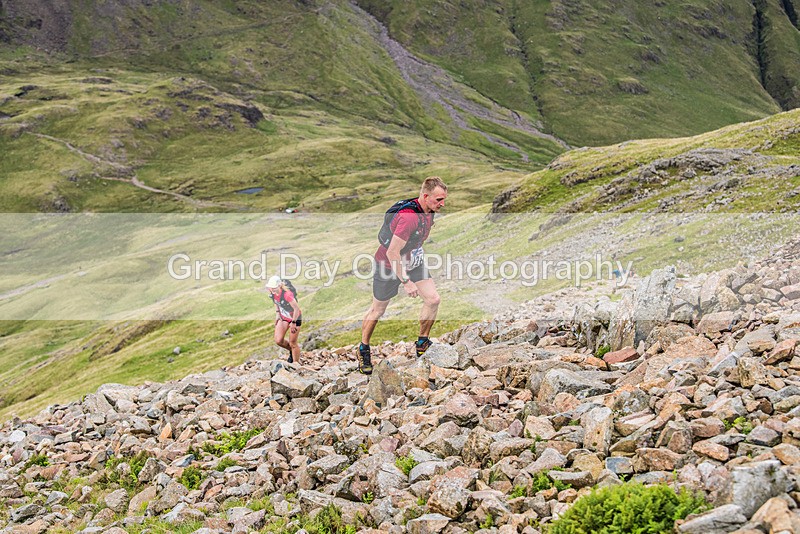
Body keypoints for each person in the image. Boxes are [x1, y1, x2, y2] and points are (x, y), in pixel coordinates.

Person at [357, 176, 448, 374]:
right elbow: (392, 252)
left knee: (433, 299)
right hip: (388, 265)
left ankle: (422, 343)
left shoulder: (428, 210)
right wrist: (406, 281)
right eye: (439, 200)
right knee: (377, 311)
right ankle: (363, 349)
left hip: (413, 261)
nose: (443, 204)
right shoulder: (408, 218)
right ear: (425, 196)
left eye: (443, 199)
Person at [265, 275, 302, 364]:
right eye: (271, 288)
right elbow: (276, 302)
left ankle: (296, 364)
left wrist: (293, 323)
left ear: (279, 286)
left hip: (295, 318)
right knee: (278, 340)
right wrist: (277, 313)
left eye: (274, 288)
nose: (272, 290)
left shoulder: (287, 295)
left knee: (293, 343)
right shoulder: (272, 293)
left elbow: (297, 309)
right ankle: (292, 351)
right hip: (283, 317)